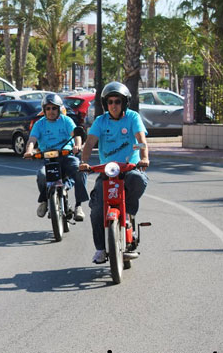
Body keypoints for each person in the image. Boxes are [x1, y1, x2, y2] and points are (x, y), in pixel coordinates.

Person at [79, 81, 149, 264]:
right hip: (107, 173)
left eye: (117, 101)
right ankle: (101, 249)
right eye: (110, 102)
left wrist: (144, 158)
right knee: (96, 210)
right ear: (105, 104)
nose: (114, 105)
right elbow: (89, 143)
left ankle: (128, 214)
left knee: (137, 180)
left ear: (124, 102)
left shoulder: (133, 118)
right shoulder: (100, 121)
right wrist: (84, 162)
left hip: (129, 169)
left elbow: (141, 139)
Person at [24, 93, 88, 221]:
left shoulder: (66, 120)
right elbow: (32, 140)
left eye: (54, 108)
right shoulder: (39, 124)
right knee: (42, 175)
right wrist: (29, 151)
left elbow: (77, 135)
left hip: (67, 156)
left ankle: (78, 206)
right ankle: (44, 201)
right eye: (48, 108)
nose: (51, 111)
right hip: (48, 159)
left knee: (80, 170)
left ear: (59, 109)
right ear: (44, 110)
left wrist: (77, 146)